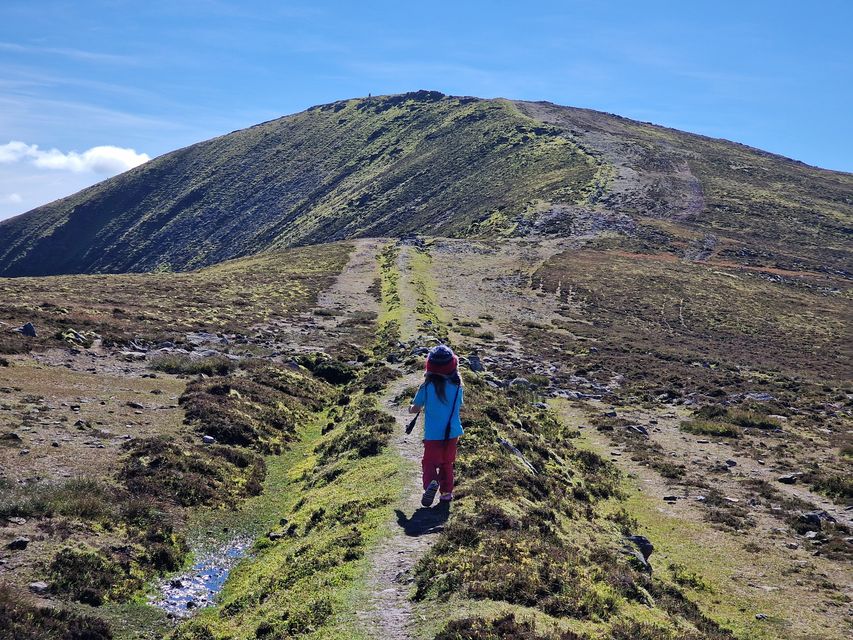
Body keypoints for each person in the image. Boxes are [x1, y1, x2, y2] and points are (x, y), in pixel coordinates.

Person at [409, 344, 463, 506]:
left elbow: (415, 408)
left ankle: (430, 485)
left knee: (429, 462)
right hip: (453, 432)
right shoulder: (457, 386)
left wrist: (410, 408)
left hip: (433, 434)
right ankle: (446, 493)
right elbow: (459, 405)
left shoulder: (426, 386)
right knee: (447, 463)